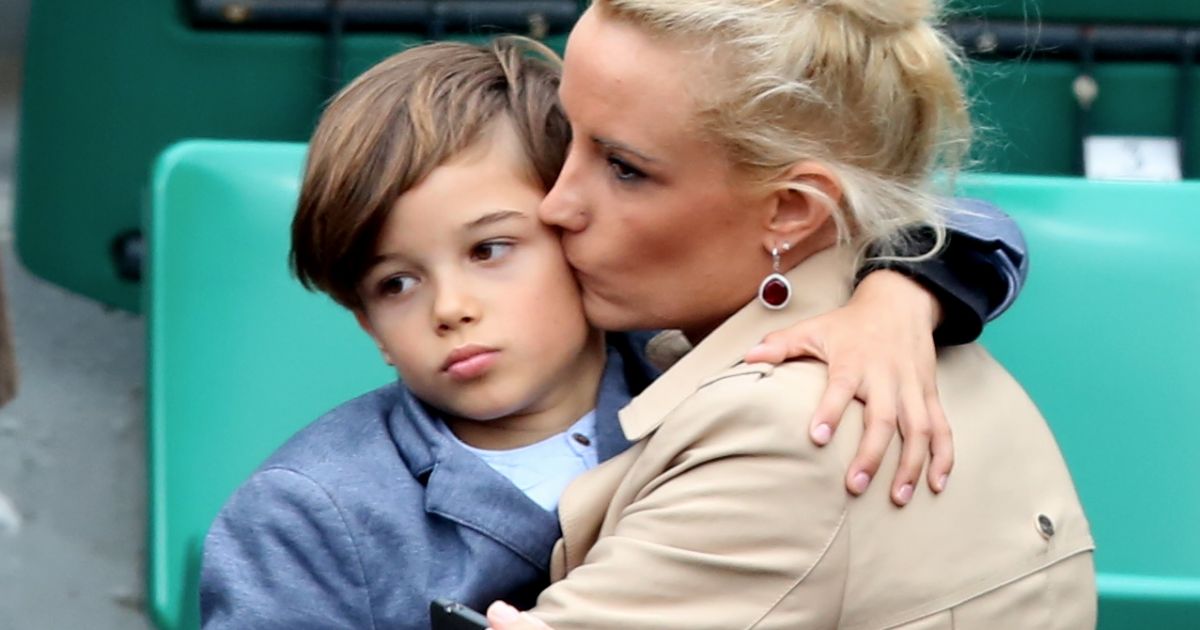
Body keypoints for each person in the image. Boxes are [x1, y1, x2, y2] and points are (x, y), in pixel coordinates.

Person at [200, 34, 1030, 629]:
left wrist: (896, 300)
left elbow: (972, 223)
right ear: (370, 325)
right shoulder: (307, 515)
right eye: (396, 283)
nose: (449, 307)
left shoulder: (686, 365)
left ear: (569, 225)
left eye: (491, 248)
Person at [483, 1, 1095, 628]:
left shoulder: (783, 433)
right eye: (569, 136)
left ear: (791, 212)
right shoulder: (902, 307)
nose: (556, 205)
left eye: (623, 169)